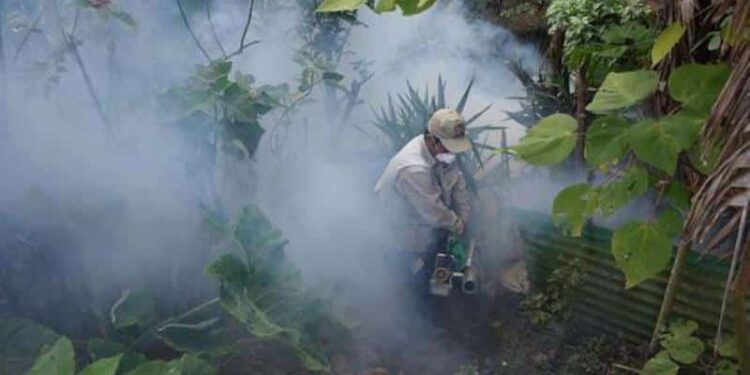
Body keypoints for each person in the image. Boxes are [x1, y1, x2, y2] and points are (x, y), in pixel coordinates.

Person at [374, 108, 471, 302]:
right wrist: (459, 227)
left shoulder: (443, 151)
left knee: (436, 275)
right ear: (432, 139)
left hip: (426, 225)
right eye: (448, 147)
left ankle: (437, 299)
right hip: (401, 232)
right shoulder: (413, 168)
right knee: (411, 285)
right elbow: (434, 212)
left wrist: (465, 219)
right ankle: (417, 317)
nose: (452, 153)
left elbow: (458, 186)